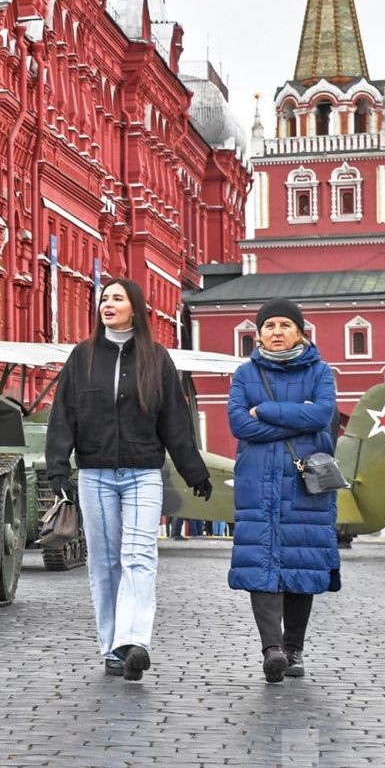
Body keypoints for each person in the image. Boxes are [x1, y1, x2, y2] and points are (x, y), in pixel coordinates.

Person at [45, 278, 212, 682]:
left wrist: (194, 471)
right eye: (103, 298)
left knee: (139, 557)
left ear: (135, 308)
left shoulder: (157, 358)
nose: (108, 303)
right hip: (95, 474)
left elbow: (175, 420)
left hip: (142, 474)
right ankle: (112, 647)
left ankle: (134, 641)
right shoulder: (82, 357)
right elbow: (62, 415)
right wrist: (57, 469)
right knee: (104, 562)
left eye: (117, 298)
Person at [226, 298, 340, 683]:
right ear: (258, 334)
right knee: (262, 563)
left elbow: (322, 415)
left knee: (299, 562)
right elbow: (241, 426)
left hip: (304, 484)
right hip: (258, 484)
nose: (276, 332)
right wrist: (298, 418)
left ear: (300, 332)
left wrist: (268, 412)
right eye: (269, 326)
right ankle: (271, 648)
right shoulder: (244, 374)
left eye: (284, 325)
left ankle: (294, 647)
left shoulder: (321, 372)